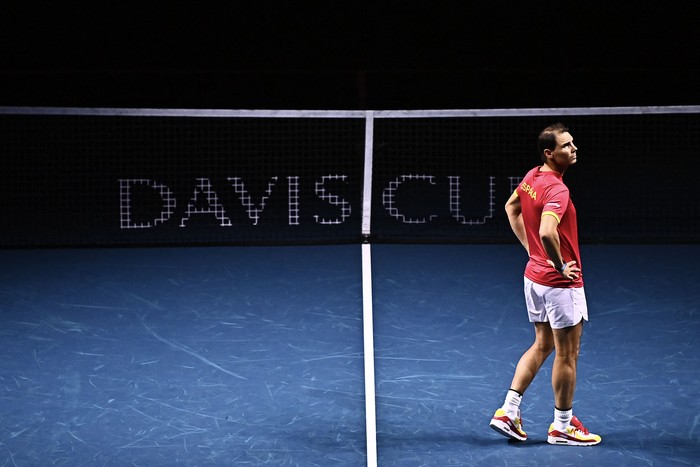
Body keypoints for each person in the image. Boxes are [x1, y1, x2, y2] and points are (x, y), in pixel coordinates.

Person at [488, 123, 601, 446]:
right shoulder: (557, 190)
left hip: (533, 277)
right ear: (550, 153)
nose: (574, 148)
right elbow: (548, 232)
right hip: (558, 284)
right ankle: (562, 426)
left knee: (543, 344)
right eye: (566, 146)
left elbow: (512, 208)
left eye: (573, 143)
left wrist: (532, 252)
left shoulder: (533, 175)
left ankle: (508, 412)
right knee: (568, 354)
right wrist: (558, 263)